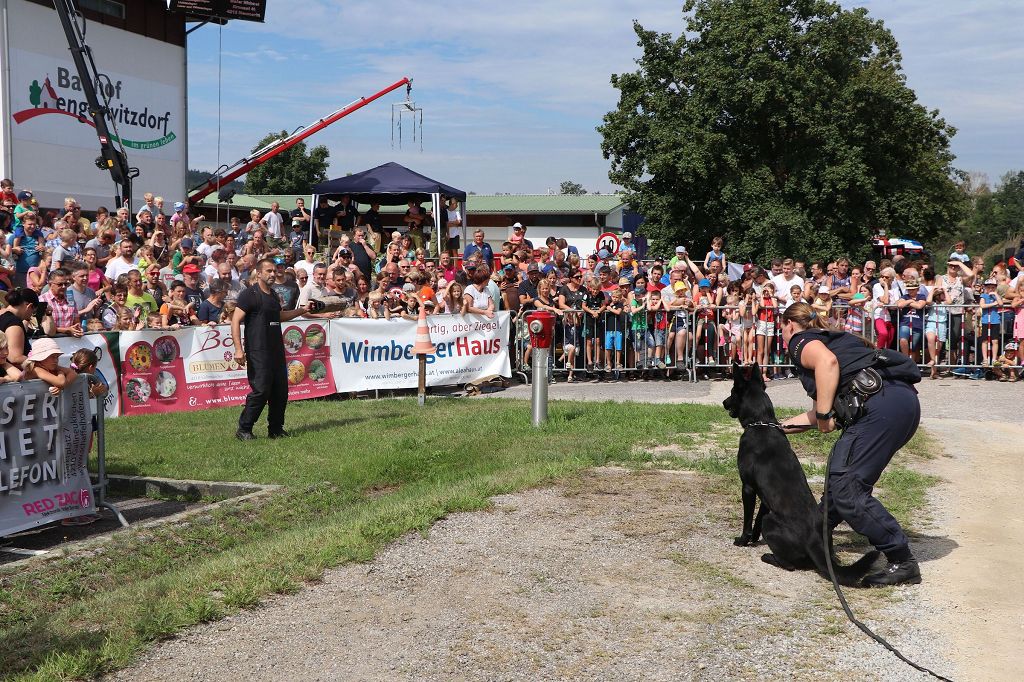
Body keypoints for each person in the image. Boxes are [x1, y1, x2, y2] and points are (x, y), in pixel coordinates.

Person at [778, 302, 923, 587]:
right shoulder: (832, 339)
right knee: (843, 480)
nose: (782, 336)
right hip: (899, 403)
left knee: (846, 486)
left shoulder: (800, 340)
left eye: (781, 330)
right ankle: (815, 536)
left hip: (878, 406)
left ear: (790, 325)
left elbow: (826, 365)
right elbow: (825, 415)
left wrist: (822, 416)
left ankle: (902, 560)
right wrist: (777, 429)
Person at [232, 258, 311, 440]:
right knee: (261, 390)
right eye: (268, 271)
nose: (273, 274)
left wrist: (302, 310)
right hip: (258, 350)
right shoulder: (249, 294)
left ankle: (275, 429)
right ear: (258, 273)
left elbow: (280, 316)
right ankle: (244, 429)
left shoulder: (274, 295)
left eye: (274, 271)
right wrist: (238, 349)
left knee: (280, 391)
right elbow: (235, 320)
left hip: (276, 349)